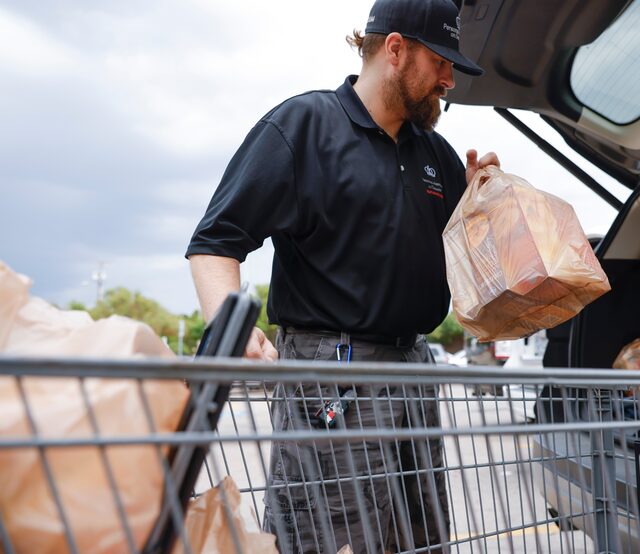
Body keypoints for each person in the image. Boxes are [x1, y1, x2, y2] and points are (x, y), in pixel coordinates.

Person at [185, 0, 499, 551]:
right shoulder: (304, 127)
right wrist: (230, 329)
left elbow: (474, 261)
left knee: (419, 537)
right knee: (323, 536)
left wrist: (482, 202)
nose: (449, 79)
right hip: (332, 373)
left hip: (413, 372)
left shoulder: (437, 156)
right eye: (440, 61)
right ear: (395, 50)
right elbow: (215, 242)